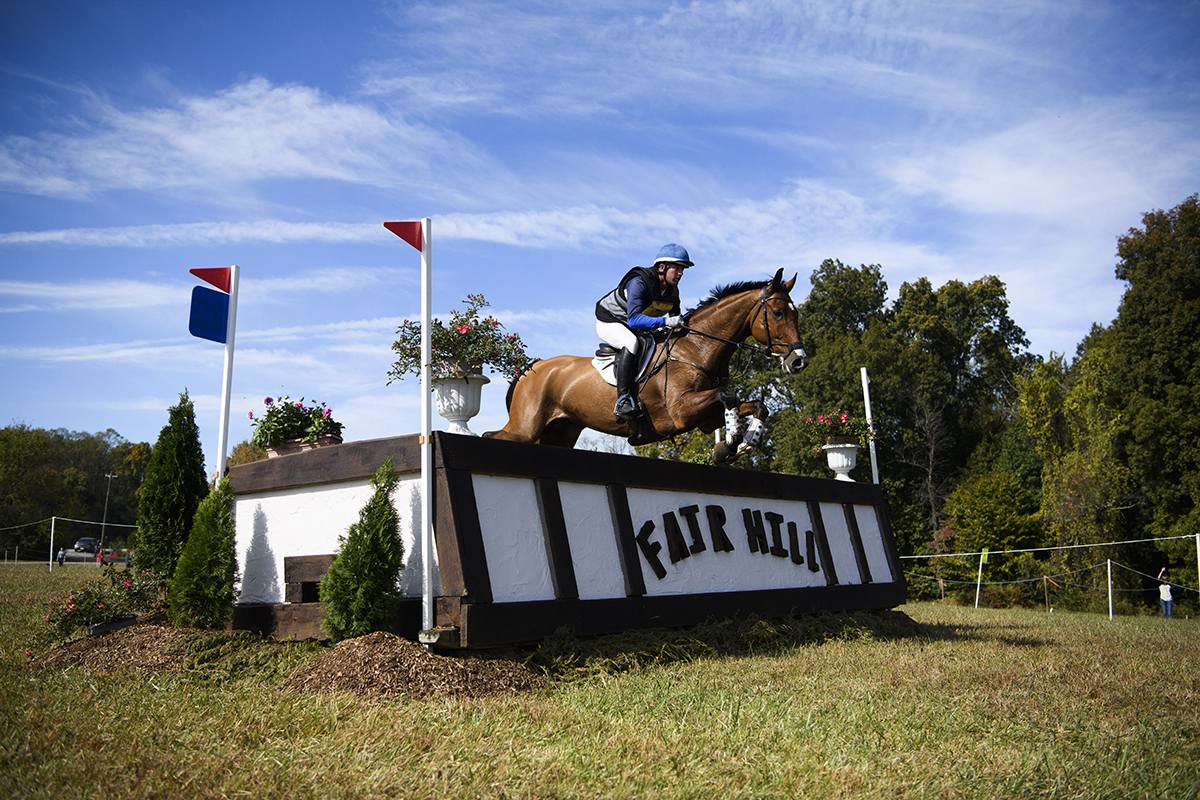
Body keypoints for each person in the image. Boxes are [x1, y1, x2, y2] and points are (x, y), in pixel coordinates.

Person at [595, 243, 691, 420]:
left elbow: (677, 321)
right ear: (662, 267)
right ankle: (623, 400)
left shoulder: (673, 291)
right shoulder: (640, 282)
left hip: (636, 326)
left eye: (682, 269)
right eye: (677, 268)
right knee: (630, 342)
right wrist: (665, 321)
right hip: (611, 320)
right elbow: (634, 319)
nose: (681, 273)